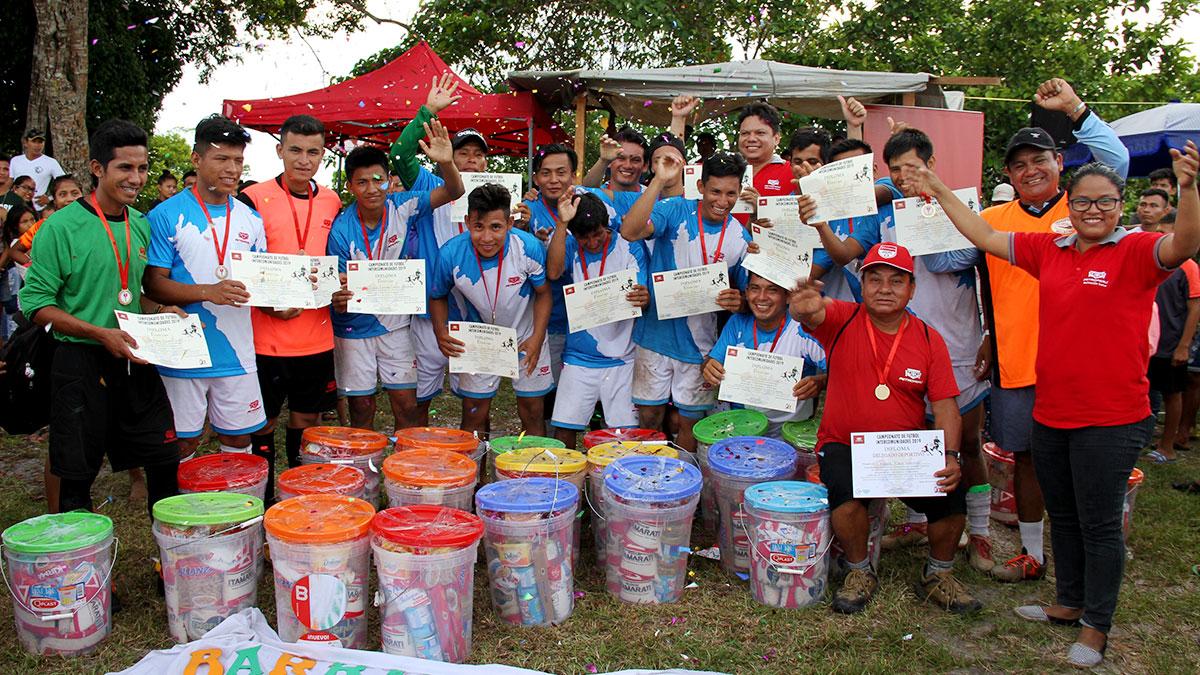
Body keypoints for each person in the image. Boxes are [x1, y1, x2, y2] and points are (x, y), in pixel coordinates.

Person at [919, 141, 1200, 668]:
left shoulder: (1138, 252)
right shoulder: (1052, 250)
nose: (1094, 211)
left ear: (1121, 205)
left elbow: (1185, 242)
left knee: (1098, 523)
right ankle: (1069, 603)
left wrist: (1189, 188)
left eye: (1106, 202)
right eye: (1084, 202)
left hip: (1112, 417)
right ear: (1068, 204)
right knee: (1064, 516)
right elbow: (981, 234)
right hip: (1052, 409)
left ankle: (1097, 626)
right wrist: (936, 188)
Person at [812, 128, 990, 572]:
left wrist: (928, 209)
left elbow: (962, 262)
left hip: (955, 340)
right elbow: (841, 253)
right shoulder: (884, 213)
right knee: (908, 433)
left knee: (965, 442)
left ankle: (981, 532)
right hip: (895, 340)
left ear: (931, 164)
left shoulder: (960, 207)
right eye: (897, 170)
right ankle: (913, 522)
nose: (905, 177)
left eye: (913, 167)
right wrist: (821, 221)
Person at [976, 77, 1130, 583]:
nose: (1030, 170)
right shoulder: (993, 220)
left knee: (1086, 464)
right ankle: (1033, 553)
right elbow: (947, 264)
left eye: (1039, 160)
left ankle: (1095, 549)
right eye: (1018, 164)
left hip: (1082, 367)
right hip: (1019, 363)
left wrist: (1075, 110)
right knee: (1027, 461)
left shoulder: (1086, 210)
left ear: (1060, 163)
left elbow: (1119, 162)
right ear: (1007, 174)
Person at [788, 242, 978, 615]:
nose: (885, 289)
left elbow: (945, 408)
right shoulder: (843, 319)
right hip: (844, 442)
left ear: (912, 289)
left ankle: (938, 573)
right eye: (875, 280)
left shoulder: (928, 339)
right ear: (863, 284)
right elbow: (811, 312)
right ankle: (859, 571)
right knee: (842, 490)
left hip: (902, 449)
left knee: (953, 495)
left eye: (896, 280)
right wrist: (804, 304)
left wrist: (952, 457)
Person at [18, 118, 180, 517]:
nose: (136, 178)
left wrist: (160, 309)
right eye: (125, 168)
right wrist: (98, 331)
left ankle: (171, 570)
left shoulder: (140, 224)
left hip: (133, 359)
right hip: (79, 362)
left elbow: (130, 292)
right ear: (97, 169)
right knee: (76, 473)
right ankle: (77, 569)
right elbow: (36, 304)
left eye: (142, 168)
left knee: (164, 458)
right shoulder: (60, 226)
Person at [143, 115, 269, 464]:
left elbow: (261, 281)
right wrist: (207, 292)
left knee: (238, 433)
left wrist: (289, 295)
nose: (232, 169)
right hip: (184, 350)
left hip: (237, 349)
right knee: (183, 440)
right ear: (196, 160)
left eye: (238, 160)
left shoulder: (251, 219)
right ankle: (182, 513)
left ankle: (236, 506)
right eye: (222, 159)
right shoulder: (165, 215)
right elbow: (152, 283)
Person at [328, 135, 462, 431]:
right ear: (350, 186)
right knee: (361, 408)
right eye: (362, 182)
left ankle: (407, 473)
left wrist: (446, 161)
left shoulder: (405, 205)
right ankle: (363, 473)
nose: (372, 189)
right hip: (354, 329)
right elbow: (336, 288)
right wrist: (338, 296)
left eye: (378, 179)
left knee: (406, 405)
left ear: (389, 180)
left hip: (396, 326)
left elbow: (455, 190)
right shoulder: (340, 230)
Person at [622, 152, 751, 450]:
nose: (723, 200)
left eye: (731, 193)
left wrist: (738, 300)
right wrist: (658, 181)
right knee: (650, 416)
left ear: (739, 192)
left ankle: (684, 485)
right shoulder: (674, 209)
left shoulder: (739, 237)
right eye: (715, 191)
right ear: (701, 187)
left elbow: (748, 301)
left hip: (700, 344)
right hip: (655, 336)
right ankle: (649, 475)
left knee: (687, 424)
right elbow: (629, 231)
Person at [239, 115, 343, 479]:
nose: (304, 159)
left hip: (315, 334)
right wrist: (267, 304)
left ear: (322, 155)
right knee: (263, 419)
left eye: (313, 152)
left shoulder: (332, 200)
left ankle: (297, 485)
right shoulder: (251, 198)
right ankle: (265, 490)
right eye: (295, 150)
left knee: (307, 416)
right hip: (265, 336)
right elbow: (241, 262)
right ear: (280, 150)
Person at [388, 73, 489, 424]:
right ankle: (416, 471)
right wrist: (427, 111)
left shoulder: (498, 194)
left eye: (478, 154)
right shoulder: (429, 184)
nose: (471, 160)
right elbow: (399, 154)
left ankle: (473, 475)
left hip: (476, 312)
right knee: (419, 401)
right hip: (430, 312)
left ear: (486, 163)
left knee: (477, 405)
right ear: (446, 152)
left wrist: (519, 220)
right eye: (463, 152)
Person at [429, 183, 554, 435]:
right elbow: (437, 296)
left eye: (496, 227)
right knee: (474, 411)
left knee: (532, 411)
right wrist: (440, 331)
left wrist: (537, 337)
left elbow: (544, 295)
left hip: (525, 335)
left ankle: (532, 473)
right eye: (478, 227)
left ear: (509, 223)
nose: (486, 237)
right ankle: (477, 476)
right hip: (479, 338)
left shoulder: (527, 247)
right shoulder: (450, 253)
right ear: (467, 222)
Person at [545, 191, 650, 448]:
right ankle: (568, 480)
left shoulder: (630, 246)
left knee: (624, 436)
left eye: (598, 235)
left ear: (607, 226)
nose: (592, 242)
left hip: (622, 356)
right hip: (579, 355)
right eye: (584, 237)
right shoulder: (569, 245)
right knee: (565, 427)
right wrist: (562, 224)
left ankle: (613, 482)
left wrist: (643, 297)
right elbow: (554, 271)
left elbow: (642, 294)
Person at [702, 272, 828, 436]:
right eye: (755, 289)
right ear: (746, 293)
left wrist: (821, 382)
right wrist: (709, 368)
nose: (761, 297)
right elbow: (712, 362)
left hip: (790, 432)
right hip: (741, 428)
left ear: (788, 295)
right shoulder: (737, 323)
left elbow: (843, 371)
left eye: (772, 290)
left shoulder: (802, 329)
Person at [1144, 209, 1200, 464]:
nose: (1163, 238)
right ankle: (1144, 438)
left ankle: (1168, 445)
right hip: (1146, 342)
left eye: (1168, 234)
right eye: (1161, 233)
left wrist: (1184, 345)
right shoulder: (1151, 258)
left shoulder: (1188, 266)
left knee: (1172, 392)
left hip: (1170, 343)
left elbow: (1195, 306)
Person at [807, 139, 885, 302]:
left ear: (874, 170)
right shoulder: (828, 220)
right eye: (842, 173)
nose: (851, 179)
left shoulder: (889, 188)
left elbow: (866, 194)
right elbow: (813, 272)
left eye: (856, 169)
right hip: (851, 312)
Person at [10, 129, 64, 211]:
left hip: (39, 209)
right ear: (26, 142)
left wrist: (50, 198)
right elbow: (9, 183)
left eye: (40, 142)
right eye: (34, 141)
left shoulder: (51, 162)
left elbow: (63, 182)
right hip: (16, 207)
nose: (37, 145)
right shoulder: (15, 160)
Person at [581, 127, 647, 192]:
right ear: (609, 162)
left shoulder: (655, 198)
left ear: (645, 166)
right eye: (621, 158)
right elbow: (584, 191)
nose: (627, 166)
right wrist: (603, 160)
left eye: (635, 160)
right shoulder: (597, 196)